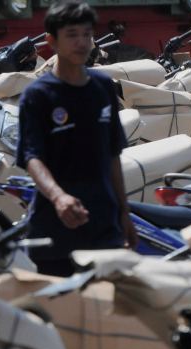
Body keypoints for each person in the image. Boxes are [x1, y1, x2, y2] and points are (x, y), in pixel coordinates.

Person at [16, 1, 139, 277]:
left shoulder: (103, 88)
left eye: (87, 34)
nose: (83, 42)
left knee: (107, 312)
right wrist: (59, 198)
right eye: (72, 35)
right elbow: (32, 158)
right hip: (54, 233)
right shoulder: (37, 95)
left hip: (103, 228)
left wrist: (124, 212)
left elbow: (113, 155)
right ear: (51, 41)